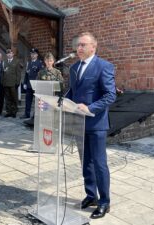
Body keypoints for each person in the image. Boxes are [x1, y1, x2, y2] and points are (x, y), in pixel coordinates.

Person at [66, 32, 116, 219]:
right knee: (85, 162)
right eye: (78, 45)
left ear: (94, 47)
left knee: (99, 163)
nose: (79, 48)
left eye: (83, 45)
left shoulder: (104, 66)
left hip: (96, 123)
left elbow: (110, 95)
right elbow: (73, 91)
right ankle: (91, 195)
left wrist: (90, 107)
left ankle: (104, 202)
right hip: (79, 123)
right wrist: (59, 103)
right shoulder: (74, 68)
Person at [23, 52, 63, 127]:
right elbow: (37, 84)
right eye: (47, 61)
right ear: (45, 61)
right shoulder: (41, 73)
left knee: (52, 114)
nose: (49, 62)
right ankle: (40, 123)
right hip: (44, 97)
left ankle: (52, 124)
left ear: (53, 61)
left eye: (50, 61)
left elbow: (61, 84)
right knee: (43, 112)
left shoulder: (57, 72)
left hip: (53, 96)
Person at [21, 48, 43, 119]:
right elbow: (26, 74)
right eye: (31, 54)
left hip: (36, 85)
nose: (32, 55)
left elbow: (41, 75)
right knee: (28, 100)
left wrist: (39, 84)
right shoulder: (29, 63)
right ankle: (26, 114)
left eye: (34, 54)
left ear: (37, 55)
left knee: (37, 101)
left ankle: (35, 115)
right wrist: (24, 83)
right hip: (29, 85)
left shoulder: (39, 63)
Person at [2, 49, 21, 118]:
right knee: (7, 98)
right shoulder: (4, 62)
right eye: (7, 53)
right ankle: (8, 111)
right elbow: (3, 73)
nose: (9, 54)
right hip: (6, 83)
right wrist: (3, 82)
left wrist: (18, 82)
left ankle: (14, 112)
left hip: (13, 83)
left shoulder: (16, 61)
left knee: (14, 98)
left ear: (12, 54)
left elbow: (18, 73)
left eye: (10, 53)